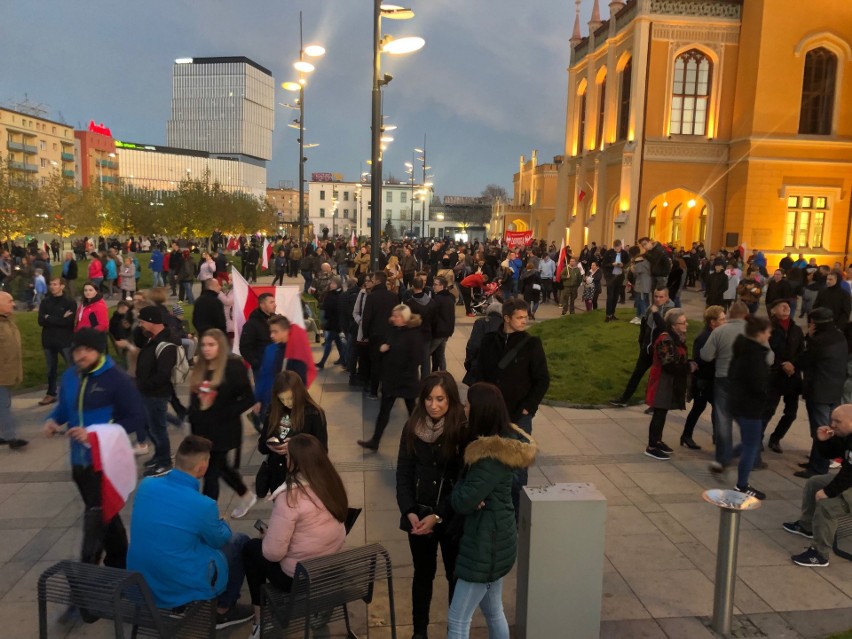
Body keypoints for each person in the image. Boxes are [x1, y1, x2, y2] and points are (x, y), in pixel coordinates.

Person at [43, 328, 145, 569]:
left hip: (104, 462)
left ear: (99, 351)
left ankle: (87, 574)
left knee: (96, 516)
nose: (82, 355)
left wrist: (95, 434)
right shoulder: (69, 376)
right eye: (78, 350)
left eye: (88, 350)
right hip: (79, 462)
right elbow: (64, 408)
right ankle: (120, 562)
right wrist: (53, 420)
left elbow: (136, 417)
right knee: (105, 514)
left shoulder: (116, 379)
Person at [127, 435, 253, 630]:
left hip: (143, 577)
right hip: (177, 579)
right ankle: (224, 609)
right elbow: (221, 539)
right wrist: (223, 522)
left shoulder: (146, 486)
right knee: (239, 541)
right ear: (202, 466)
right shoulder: (203, 505)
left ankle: (182, 606)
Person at [447, 382, 537, 639]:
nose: (464, 408)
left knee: (457, 620)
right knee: (493, 609)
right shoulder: (503, 444)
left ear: (480, 412)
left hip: (485, 544)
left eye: (467, 405)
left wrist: (462, 486)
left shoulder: (489, 458)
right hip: (497, 538)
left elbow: (463, 501)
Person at [242, 433, 347, 638]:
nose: (286, 461)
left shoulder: (290, 498)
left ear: (295, 463)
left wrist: (268, 537)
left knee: (251, 549)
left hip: (297, 577)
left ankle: (259, 619)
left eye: (288, 457)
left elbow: (273, 554)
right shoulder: (331, 483)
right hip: (328, 563)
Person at [396, 372, 468, 638]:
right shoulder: (412, 426)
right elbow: (404, 471)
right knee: (423, 575)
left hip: (449, 517)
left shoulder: (462, 429)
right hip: (419, 515)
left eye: (440, 399)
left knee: (455, 576)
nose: (433, 405)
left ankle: (455, 630)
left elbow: (463, 481)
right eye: (428, 398)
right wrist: (409, 510)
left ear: (451, 400)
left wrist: (438, 516)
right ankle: (419, 631)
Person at [477, 298, 549, 516]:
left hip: (519, 416)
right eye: (519, 317)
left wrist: (528, 408)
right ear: (506, 318)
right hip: (491, 413)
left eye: (525, 317)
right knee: (489, 460)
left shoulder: (532, 344)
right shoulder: (490, 341)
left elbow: (542, 379)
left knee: (518, 467)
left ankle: (516, 514)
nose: (524, 321)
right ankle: (492, 506)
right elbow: (479, 371)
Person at [187, 329, 256, 517]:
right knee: (222, 467)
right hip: (203, 430)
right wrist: (195, 411)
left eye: (212, 345)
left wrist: (227, 412)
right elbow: (195, 401)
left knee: (210, 472)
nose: (207, 349)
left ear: (221, 346)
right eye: (204, 345)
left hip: (224, 430)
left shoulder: (233, 367)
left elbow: (249, 398)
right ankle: (246, 494)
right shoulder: (201, 368)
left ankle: (208, 515)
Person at [785, 405, 852, 568]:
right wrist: (823, 441)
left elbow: (850, 474)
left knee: (827, 505)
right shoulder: (845, 434)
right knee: (814, 483)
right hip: (849, 478)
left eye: (838, 421)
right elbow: (829, 454)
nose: (833, 424)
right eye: (832, 420)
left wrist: (828, 492)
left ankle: (820, 554)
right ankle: (807, 526)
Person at [358, 304, 423, 450]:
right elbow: (388, 345)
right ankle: (375, 441)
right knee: (384, 411)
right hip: (392, 379)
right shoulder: (394, 329)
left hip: (406, 380)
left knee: (412, 411)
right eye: (393, 315)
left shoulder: (414, 334)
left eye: (396, 316)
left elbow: (417, 358)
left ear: (404, 318)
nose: (393, 318)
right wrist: (383, 349)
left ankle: (420, 439)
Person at [256, 370, 328, 499]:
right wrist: (270, 444)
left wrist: (295, 446)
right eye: (282, 399)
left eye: (290, 398)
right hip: (278, 478)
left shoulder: (314, 413)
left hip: (302, 479)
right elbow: (262, 446)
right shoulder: (273, 409)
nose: (286, 403)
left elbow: (322, 450)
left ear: (299, 393)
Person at [795, 307, 847, 479]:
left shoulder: (818, 341)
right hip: (834, 389)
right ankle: (816, 462)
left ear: (814, 323)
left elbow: (803, 361)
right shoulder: (839, 336)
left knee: (820, 430)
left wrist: (808, 338)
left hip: (819, 391)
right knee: (827, 428)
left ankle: (818, 468)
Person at [700, 301, 750, 475]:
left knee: (723, 419)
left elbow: (705, 355)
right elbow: (770, 358)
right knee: (748, 418)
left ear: (729, 315)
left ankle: (723, 458)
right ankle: (750, 453)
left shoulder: (720, 331)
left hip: (723, 378)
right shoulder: (754, 331)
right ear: (746, 315)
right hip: (746, 381)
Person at [728, 316, 773, 500]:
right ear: (760, 334)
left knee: (749, 442)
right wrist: (765, 397)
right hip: (750, 407)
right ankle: (742, 485)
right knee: (751, 446)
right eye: (768, 332)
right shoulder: (754, 355)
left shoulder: (743, 347)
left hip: (738, 403)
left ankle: (726, 455)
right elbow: (758, 385)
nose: (770, 335)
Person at [643, 308, 695, 460]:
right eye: (683, 322)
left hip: (669, 381)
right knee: (659, 413)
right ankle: (651, 446)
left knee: (662, 412)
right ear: (673, 325)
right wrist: (688, 367)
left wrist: (688, 363)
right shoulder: (665, 340)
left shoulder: (677, 337)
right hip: (662, 382)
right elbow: (669, 365)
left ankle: (657, 441)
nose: (687, 324)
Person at [611, 286, 675, 407]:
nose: (658, 299)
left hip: (661, 350)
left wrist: (656, 313)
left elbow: (663, 329)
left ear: (666, 297)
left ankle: (656, 404)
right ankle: (624, 398)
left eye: (661, 297)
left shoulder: (670, 311)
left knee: (658, 378)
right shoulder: (651, 308)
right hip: (647, 348)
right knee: (637, 373)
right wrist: (642, 342)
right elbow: (644, 325)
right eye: (656, 296)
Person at [136, 305, 178, 477]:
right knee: (149, 426)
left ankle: (165, 462)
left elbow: (163, 374)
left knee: (158, 429)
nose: (140, 325)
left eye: (142, 321)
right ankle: (159, 455)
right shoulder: (152, 338)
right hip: (147, 392)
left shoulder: (166, 343)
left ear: (152, 322)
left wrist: (142, 385)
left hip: (156, 394)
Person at [680, 306, 725, 450]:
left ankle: (716, 436)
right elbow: (701, 359)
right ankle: (687, 435)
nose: (725, 321)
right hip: (704, 380)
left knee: (715, 408)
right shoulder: (705, 337)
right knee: (700, 407)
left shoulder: (715, 334)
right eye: (722, 319)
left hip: (711, 379)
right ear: (713, 322)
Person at [763, 300, 804, 454]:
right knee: (768, 409)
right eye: (782, 305)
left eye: (788, 305)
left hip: (792, 376)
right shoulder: (769, 329)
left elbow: (802, 351)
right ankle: (757, 437)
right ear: (773, 311)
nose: (787, 307)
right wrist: (782, 364)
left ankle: (776, 438)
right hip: (774, 375)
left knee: (791, 412)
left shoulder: (796, 329)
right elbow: (766, 350)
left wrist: (792, 365)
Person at [37, 276, 77, 406]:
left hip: (65, 340)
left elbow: (68, 322)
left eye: (55, 284)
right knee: (51, 369)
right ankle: (51, 393)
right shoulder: (45, 302)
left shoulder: (69, 302)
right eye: (51, 284)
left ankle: (76, 393)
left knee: (72, 367)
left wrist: (50, 318)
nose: (52, 287)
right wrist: (59, 318)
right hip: (48, 340)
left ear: (62, 286)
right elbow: (40, 321)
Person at [361, 272, 399, 399]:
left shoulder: (371, 297)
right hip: (390, 334)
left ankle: (373, 391)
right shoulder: (394, 296)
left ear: (377, 281)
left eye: (372, 279)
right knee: (388, 363)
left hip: (375, 335)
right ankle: (386, 390)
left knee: (375, 363)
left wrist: (365, 334)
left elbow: (366, 318)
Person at [0, 291, 26, 449]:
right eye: (9, 301)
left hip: (8, 372)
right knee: (3, 405)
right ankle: (11, 437)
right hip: (1, 374)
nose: (13, 304)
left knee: (4, 404)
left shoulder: (8, 320)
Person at [316, 276, 346, 369]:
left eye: (334, 284)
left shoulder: (337, 295)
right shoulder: (332, 293)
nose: (332, 285)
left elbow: (334, 308)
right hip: (333, 322)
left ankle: (322, 362)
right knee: (338, 342)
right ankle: (344, 360)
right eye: (331, 283)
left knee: (329, 342)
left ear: (338, 285)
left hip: (335, 322)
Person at [430, 276, 455, 372]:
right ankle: (443, 374)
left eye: (436, 284)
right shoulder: (450, 297)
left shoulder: (437, 298)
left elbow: (434, 316)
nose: (433, 286)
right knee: (441, 355)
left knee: (426, 353)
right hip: (447, 331)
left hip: (439, 332)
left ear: (442, 286)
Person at [602, 240, 629, 321]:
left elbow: (628, 263)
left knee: (616, 296)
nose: (617, 249)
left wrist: (623, 265)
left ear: (621, 246)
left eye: (619, 248)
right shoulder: (608, 252)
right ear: (613, 246)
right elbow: (603, 264)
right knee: (610, 296)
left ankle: (612, 314)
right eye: (616, 248)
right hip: (611, 277)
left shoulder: (624, 253)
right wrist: (612, 264)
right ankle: (608, 315)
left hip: (619, 277)